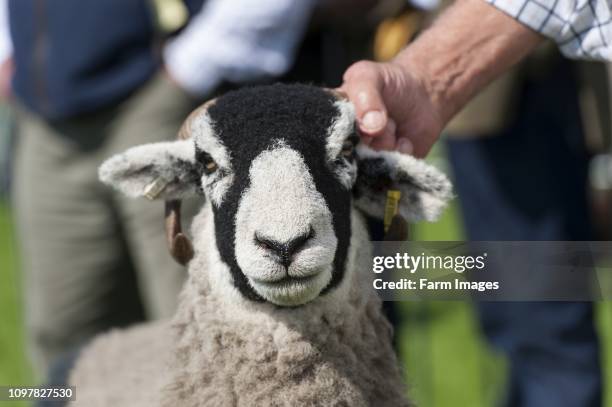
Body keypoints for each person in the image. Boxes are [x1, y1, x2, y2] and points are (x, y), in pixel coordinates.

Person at [3, 0, 317, 375]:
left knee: (203, 325)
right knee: (65, 337)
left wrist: (192, 65)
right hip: (46, 122)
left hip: (158, 101)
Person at [341, 0, 610, 406]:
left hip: (522, 86)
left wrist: (429, 79)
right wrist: (424, 81)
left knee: (544, 324)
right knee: (512, 318)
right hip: (469, 72)